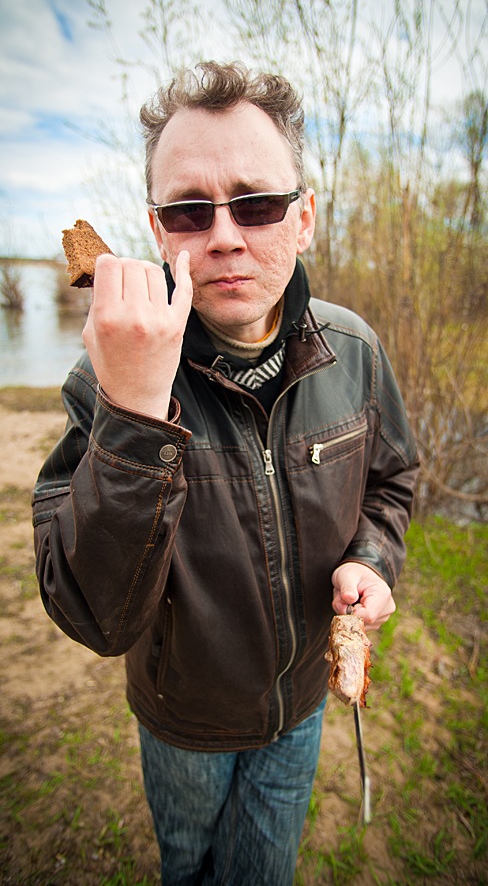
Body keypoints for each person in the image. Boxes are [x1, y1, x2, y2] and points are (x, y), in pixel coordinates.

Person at [33, 61, 419, 885]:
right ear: (158, 230)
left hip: (301, 704)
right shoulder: (105, 382)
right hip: (184, 719)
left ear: (303, 218)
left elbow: (391, 483)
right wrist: (136, 411)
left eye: (256, 202)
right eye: (188, 210)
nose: (224, 235)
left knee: (263, 870)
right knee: (190, 865)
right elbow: (91, 615)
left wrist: (373, 560)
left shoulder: (355, 351)